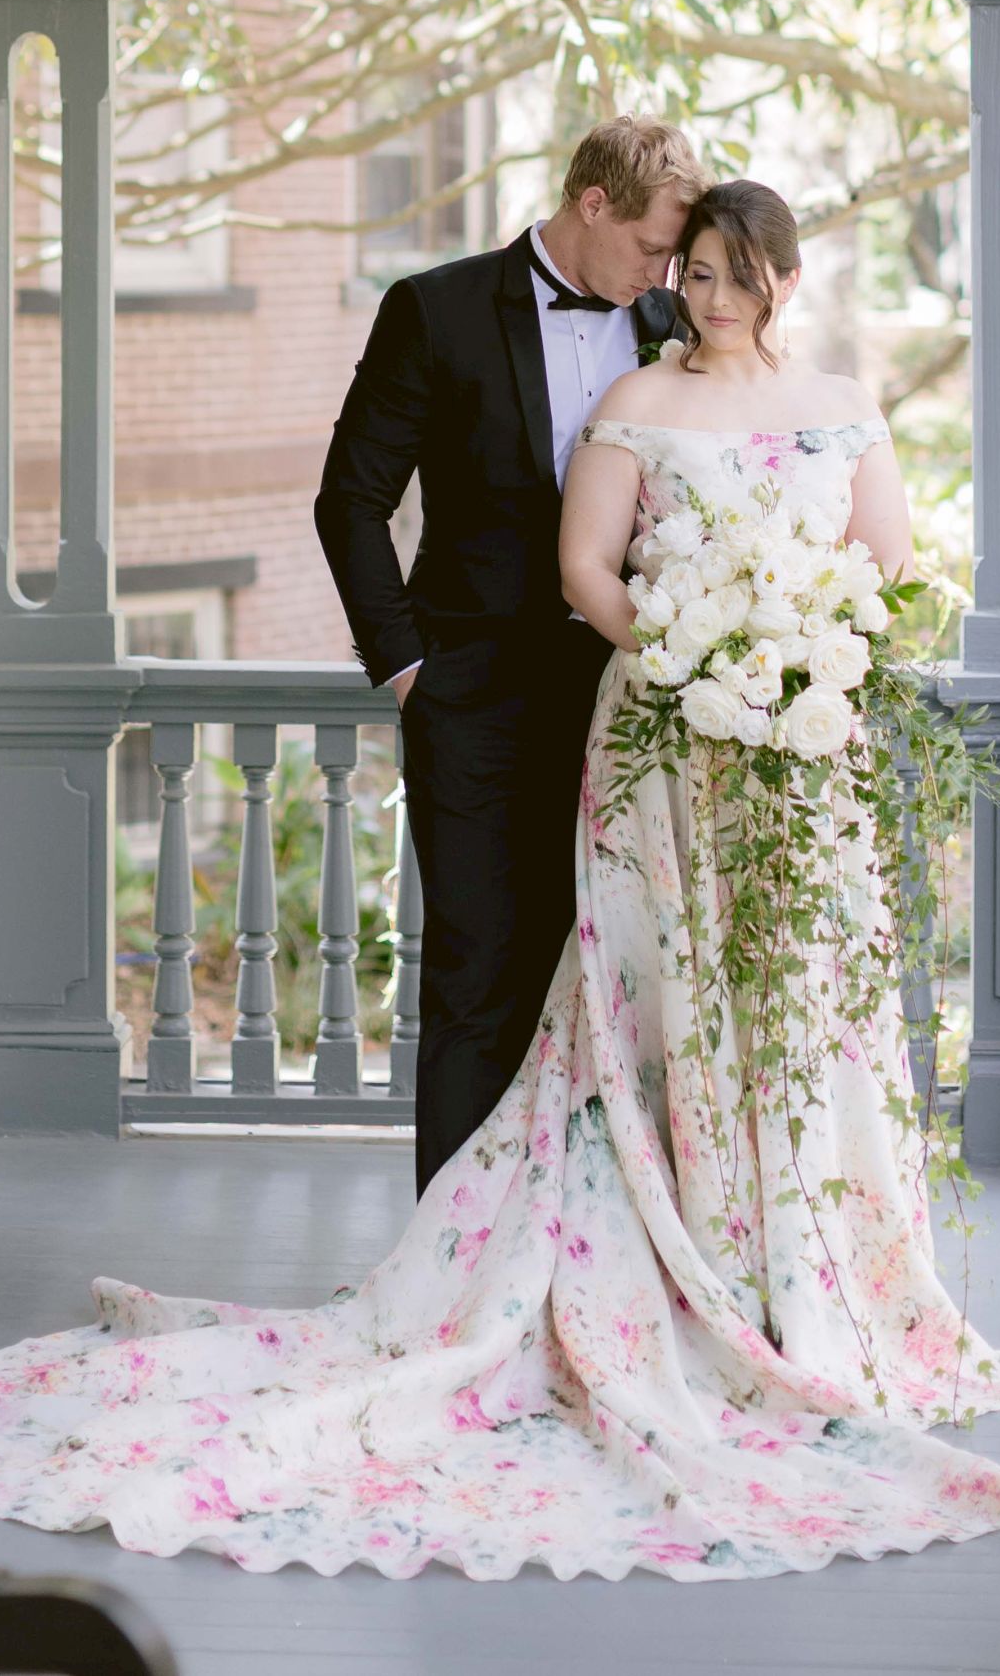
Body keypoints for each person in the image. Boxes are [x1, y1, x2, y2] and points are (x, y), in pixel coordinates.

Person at [0, 176, 1000, 1580]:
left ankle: (810, 1279)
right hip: (637, 722)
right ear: (605, 210)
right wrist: (681, 651)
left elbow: (884, 561)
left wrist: (801, 647)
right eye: (688, 264)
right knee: (552, 987)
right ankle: (484, 1276)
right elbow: (541, 551)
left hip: (797, 748)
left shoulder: (824, 391)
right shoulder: (546, 356)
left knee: (802, 1012)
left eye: (730, 272)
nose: (698, 291)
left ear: (784, 281)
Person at [313, 113, 705, 1191]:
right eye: (647, 247)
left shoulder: (672, 322)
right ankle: (452, 1262)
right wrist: (408, 674)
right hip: (473, 702)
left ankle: (590, 1252)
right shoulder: (433, 310)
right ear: (590, 206)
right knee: (478, 981)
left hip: (635, 706)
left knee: (626, 981)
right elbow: (350, 503)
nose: (661, 273)